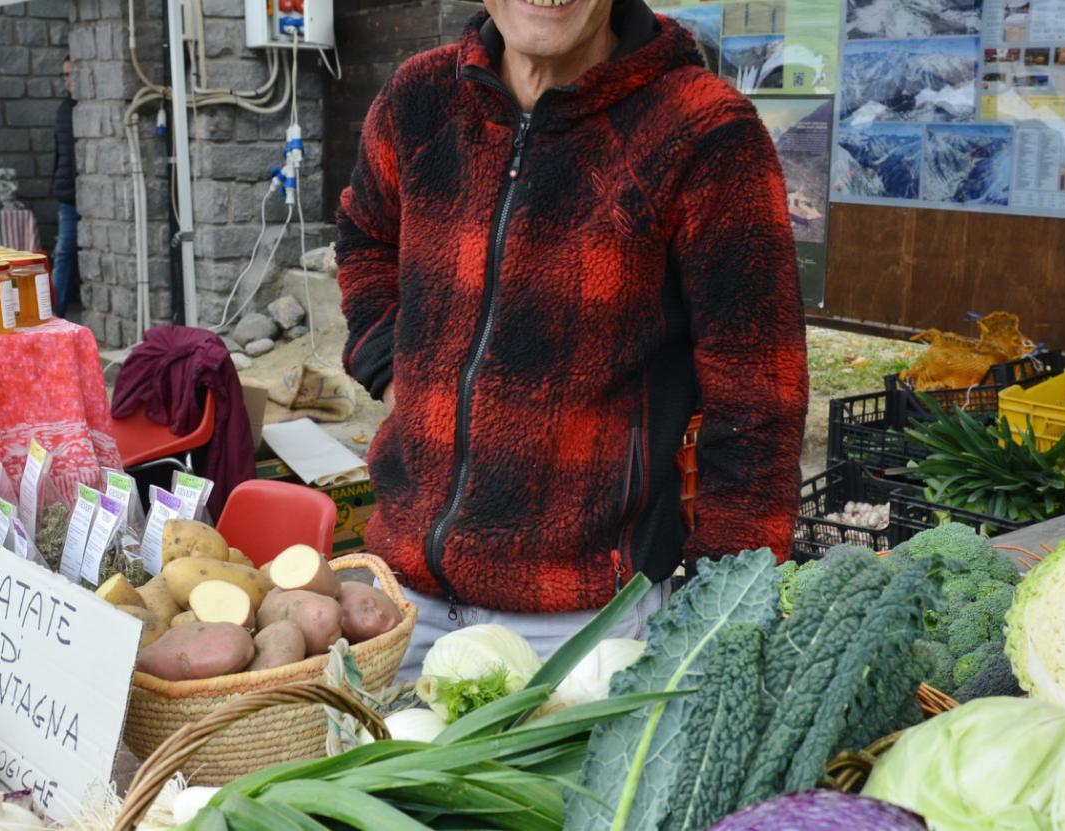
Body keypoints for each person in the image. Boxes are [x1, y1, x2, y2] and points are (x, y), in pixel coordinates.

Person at [338, 0, 808, 675]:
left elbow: (760, 391)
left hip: (582, 629)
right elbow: (363, 236)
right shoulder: (419, 97)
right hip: (398, 599)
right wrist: (390, 370)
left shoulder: (704, 131)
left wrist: (723, 610)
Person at [51, 57, 78, 316]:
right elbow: (61, 156)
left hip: (78, 193)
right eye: (65, 75)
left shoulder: (80, 110)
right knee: (64, 252)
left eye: (71, 74)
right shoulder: (64, 110)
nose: (67, 80)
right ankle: (55, 311)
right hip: (69, 196)